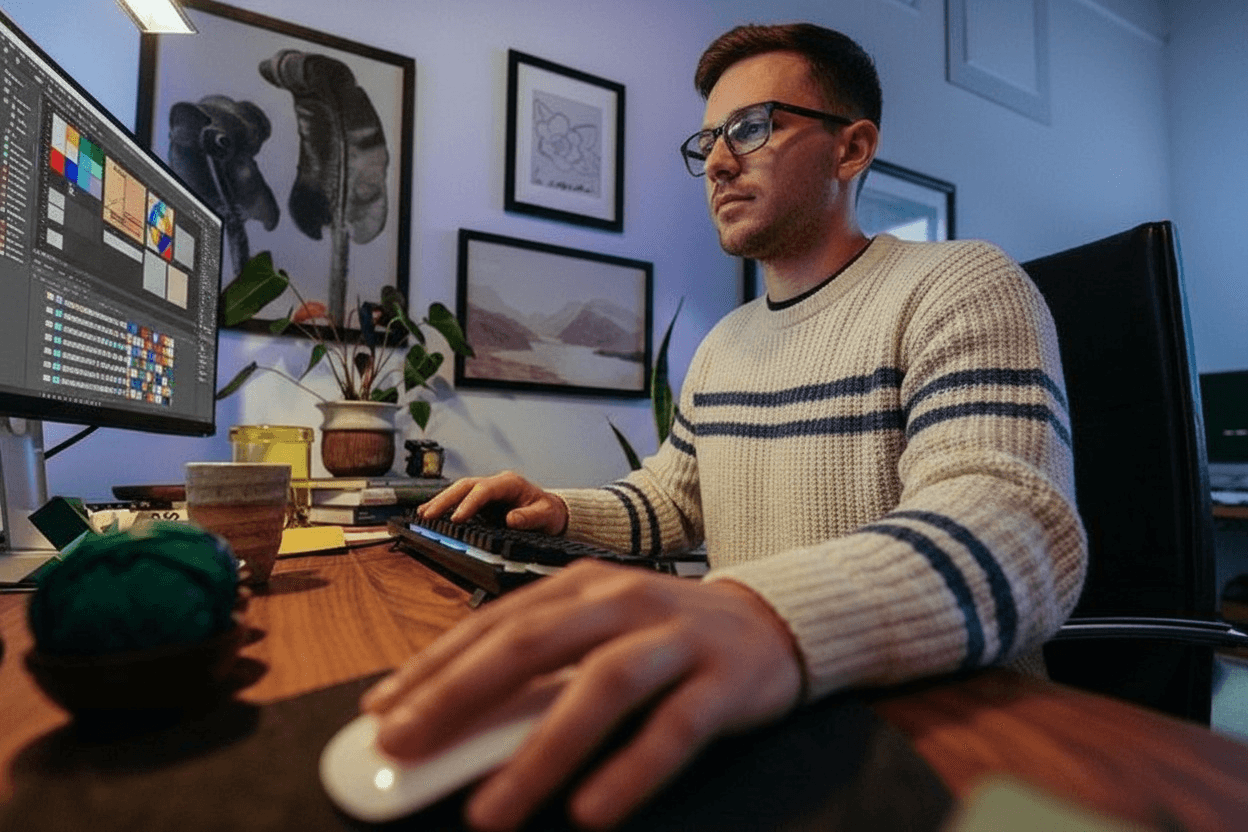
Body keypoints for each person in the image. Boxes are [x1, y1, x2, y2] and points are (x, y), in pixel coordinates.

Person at [361, 22, 1087, 831]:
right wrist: (557, 510)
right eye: (709, 138)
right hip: (770, 715)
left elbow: (1015, 522)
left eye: (752, 127)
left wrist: (772, 613)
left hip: (957, 745)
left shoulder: (959, 284)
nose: (716, 160)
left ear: (851, 150)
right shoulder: (727, 343)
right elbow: (673, 505)